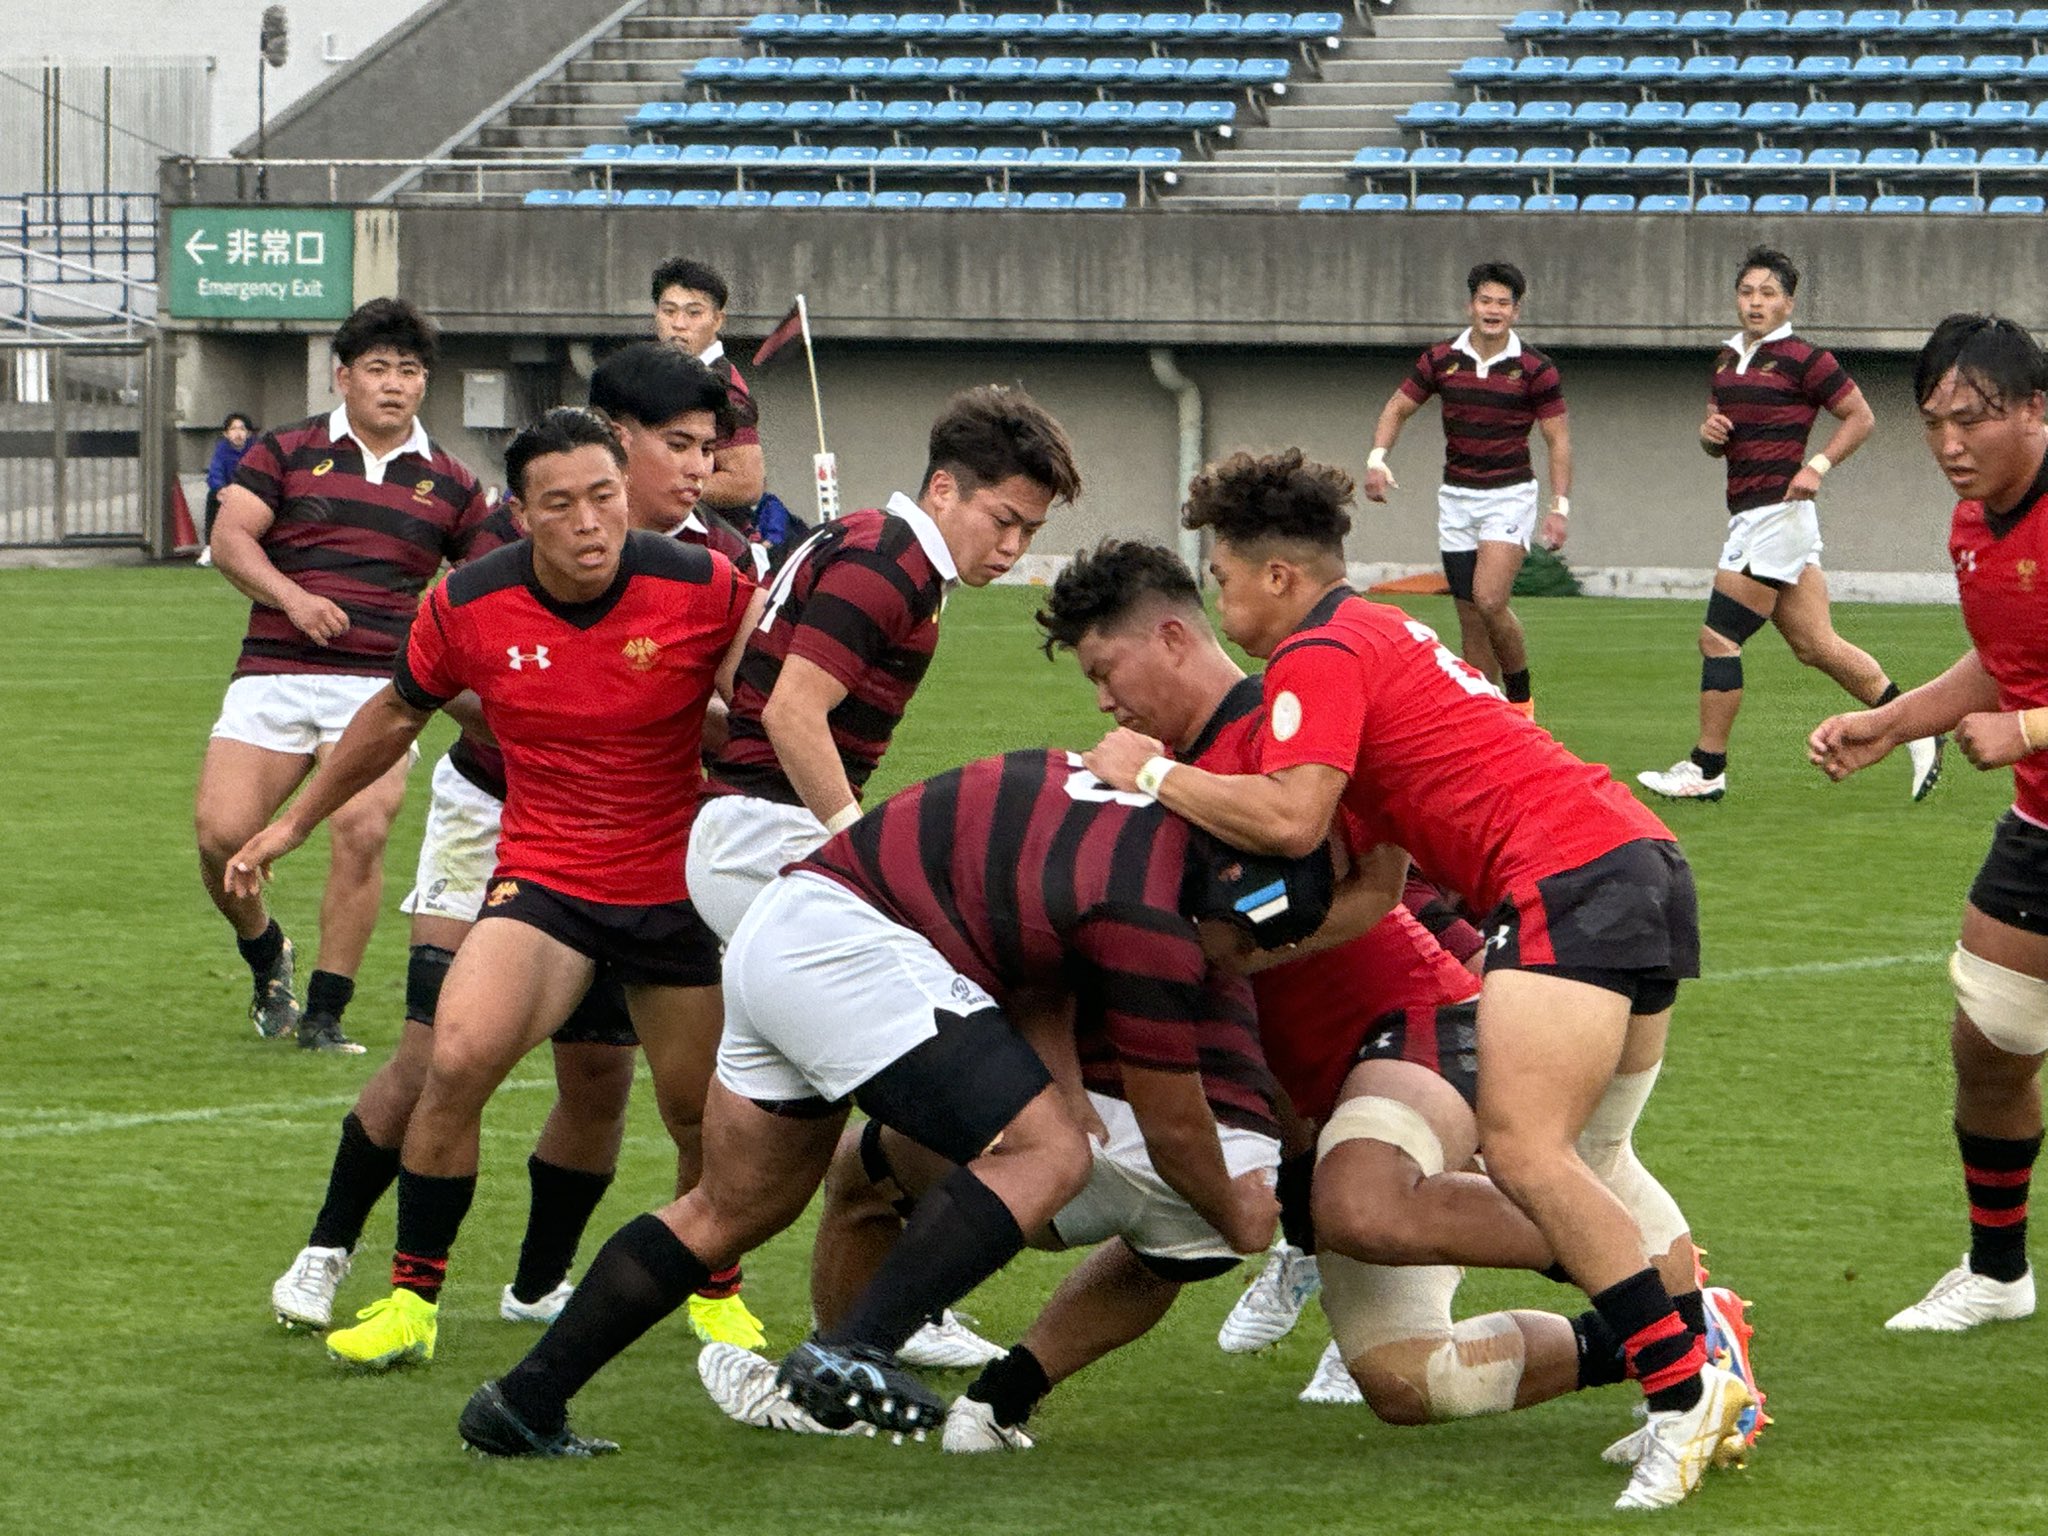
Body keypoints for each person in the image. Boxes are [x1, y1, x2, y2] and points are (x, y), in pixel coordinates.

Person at [1083, 451, 1750, 1512]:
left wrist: (1153, 773)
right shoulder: (1379, 634)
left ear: (1275, 577)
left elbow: (1296, 819)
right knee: (1588, 1155)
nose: (1214, 596)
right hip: (1634, 857)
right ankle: (1697, 1366)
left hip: (1562, 873)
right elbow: (1376, 879)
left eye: (1218, 574)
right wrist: (1249, 953)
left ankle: (1681, 1396)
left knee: (1527, 1150)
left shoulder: (1320, 648)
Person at [456, 748, 1332, 1458]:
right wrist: (1245, 1221)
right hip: (855, 944)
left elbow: (1036, 945)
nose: (1237, 966)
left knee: (731, 1207)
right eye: (1245, 945)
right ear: (1228, 897)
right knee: (1048, 1156)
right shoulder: (1156, 921)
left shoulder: (1117, 803)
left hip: (781, 924)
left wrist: (1061, 1079)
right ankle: (852, 1349)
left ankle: (523, 1401)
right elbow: (1177, 1127)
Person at [227, 402, 764, 1375]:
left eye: (604, 496)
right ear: (521, 515)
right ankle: (409, 1303)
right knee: (456, 1055)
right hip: (547, 879)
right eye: (560, 504)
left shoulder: (707, 586)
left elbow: (772, 716)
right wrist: (293, 822)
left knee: (698, 1110)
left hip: (671, 884)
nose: (589, 521)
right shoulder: (469, 603)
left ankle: (717, 1299)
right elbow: (394, 714)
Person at [1810, 314, 2048, 1333]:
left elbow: (2018, 699)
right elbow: (1998, 660)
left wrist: (2029, 728)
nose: (1950, 444)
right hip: (2038, 827)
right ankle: (1996, 1274)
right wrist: (1887, 722)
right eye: (1933, 422)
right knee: (1988, 1046)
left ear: (2035, 410)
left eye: (1974, 420)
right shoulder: (1971, 524)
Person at [199, 298, 491, 1052]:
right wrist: (294, 599)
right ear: (343, 376)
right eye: (378, 369)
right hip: (273, 668)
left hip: (378, 686)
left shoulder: (455, 483)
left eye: (410, 371)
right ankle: (266, 951)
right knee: (221, 836)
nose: (394, 384)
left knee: (361, 828)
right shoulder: (285, 450)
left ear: (425, 382)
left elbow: (489, 582)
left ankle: (325, 1014)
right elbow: (231, 539)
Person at [1641, 245, 1943, 805]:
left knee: (1719, 638)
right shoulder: (1726, 360)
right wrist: (1709, 438)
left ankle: (1708, 769)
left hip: (1777, 516)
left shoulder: (1807, 358)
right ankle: (1919, 726)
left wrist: (1818, 466)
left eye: (1768, 293)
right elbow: (1721, 439)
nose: (1755, 302)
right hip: (1753, 515)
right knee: (1817, 646)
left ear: (1788, 302)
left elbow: (1862, 416)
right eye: (1747, 292)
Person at [1361, 260, 1570, 715]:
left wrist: (1559, 506)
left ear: (1517, 311)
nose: (1493, 310)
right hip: (1456, 499)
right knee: (1471, 618)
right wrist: (1377, 460)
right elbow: (1397, 408)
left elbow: (1558, 439)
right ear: (1470, 305)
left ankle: (1520, 696)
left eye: (1503, 303)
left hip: (1509, 496)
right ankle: (1485, 716)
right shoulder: (1440, 359)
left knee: (1490, 599)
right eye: (1485, 301)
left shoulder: (1536, 368)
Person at [651, 256, 765, 524]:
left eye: (694, 313)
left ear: (717, 320)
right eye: (669, 311)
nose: (678, 323)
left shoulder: (723, 388)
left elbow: (747, 483)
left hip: (716, 542)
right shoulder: (662, 375)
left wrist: (662, 489)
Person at [196, 411, 254, 567]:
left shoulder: (256, 449)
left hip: (251, 493)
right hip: (229, 492)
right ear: (226, 433)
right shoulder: (221, 450)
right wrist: (220, 488)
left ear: (248, 433)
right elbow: (215, 472)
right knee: (212, 497)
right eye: (234, 429)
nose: (238, 433)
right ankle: (210, 548)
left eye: (242, 429)